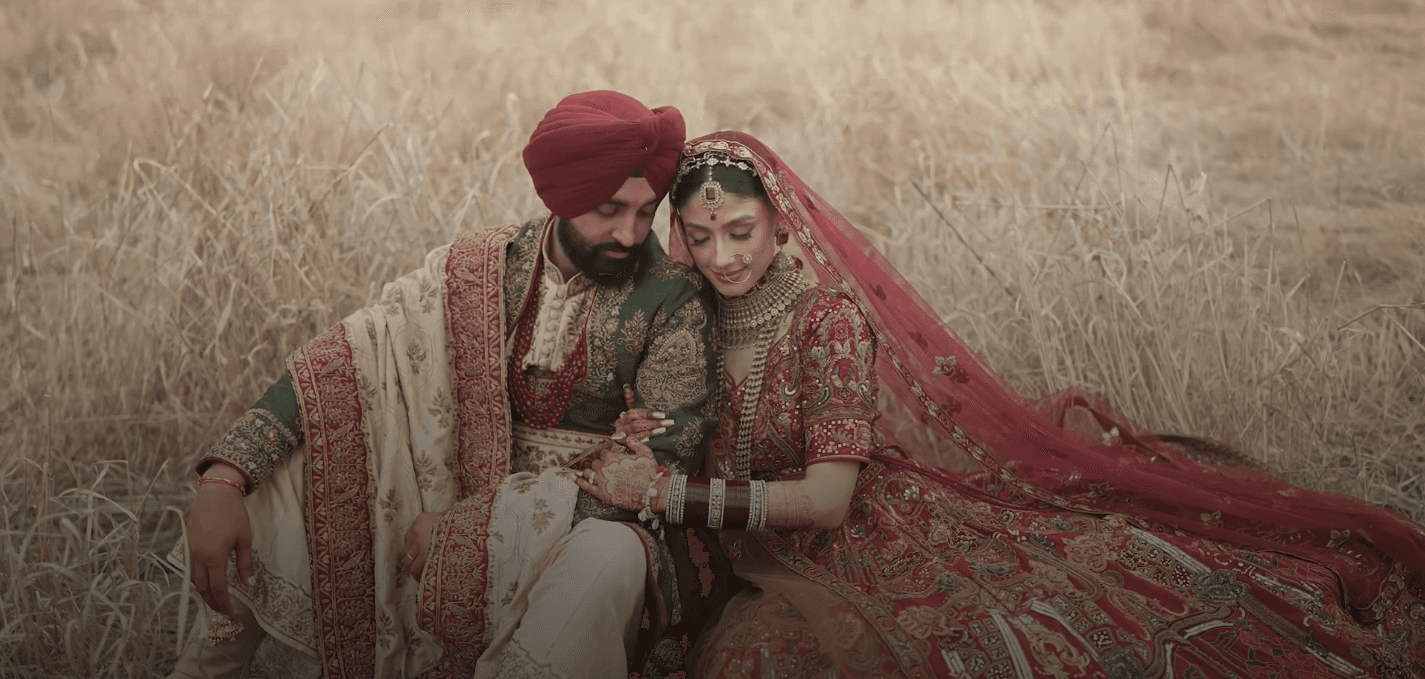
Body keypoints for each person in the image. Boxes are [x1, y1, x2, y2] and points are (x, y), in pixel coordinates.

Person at [576, 131, 1425, 678]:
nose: (722, 255)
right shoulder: (680, 318)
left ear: (781, 224)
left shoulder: (824, 320)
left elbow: (828, 501)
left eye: (740, 231)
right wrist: (641, 444)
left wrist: (665, 493)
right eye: (699, 235)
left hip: (857, 536)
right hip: (735, 546)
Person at [167, 91, 736, 679]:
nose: (630, 233)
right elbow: (344, 361)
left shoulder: (672, 298)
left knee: (607, 556)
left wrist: (481, 526)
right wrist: (225, 477)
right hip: (450, 483)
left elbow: (656, 468)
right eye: (610, 209)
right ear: (560, 199)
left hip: (588, 520)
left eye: (646, 212)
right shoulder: (480, 268)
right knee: (286, 472)